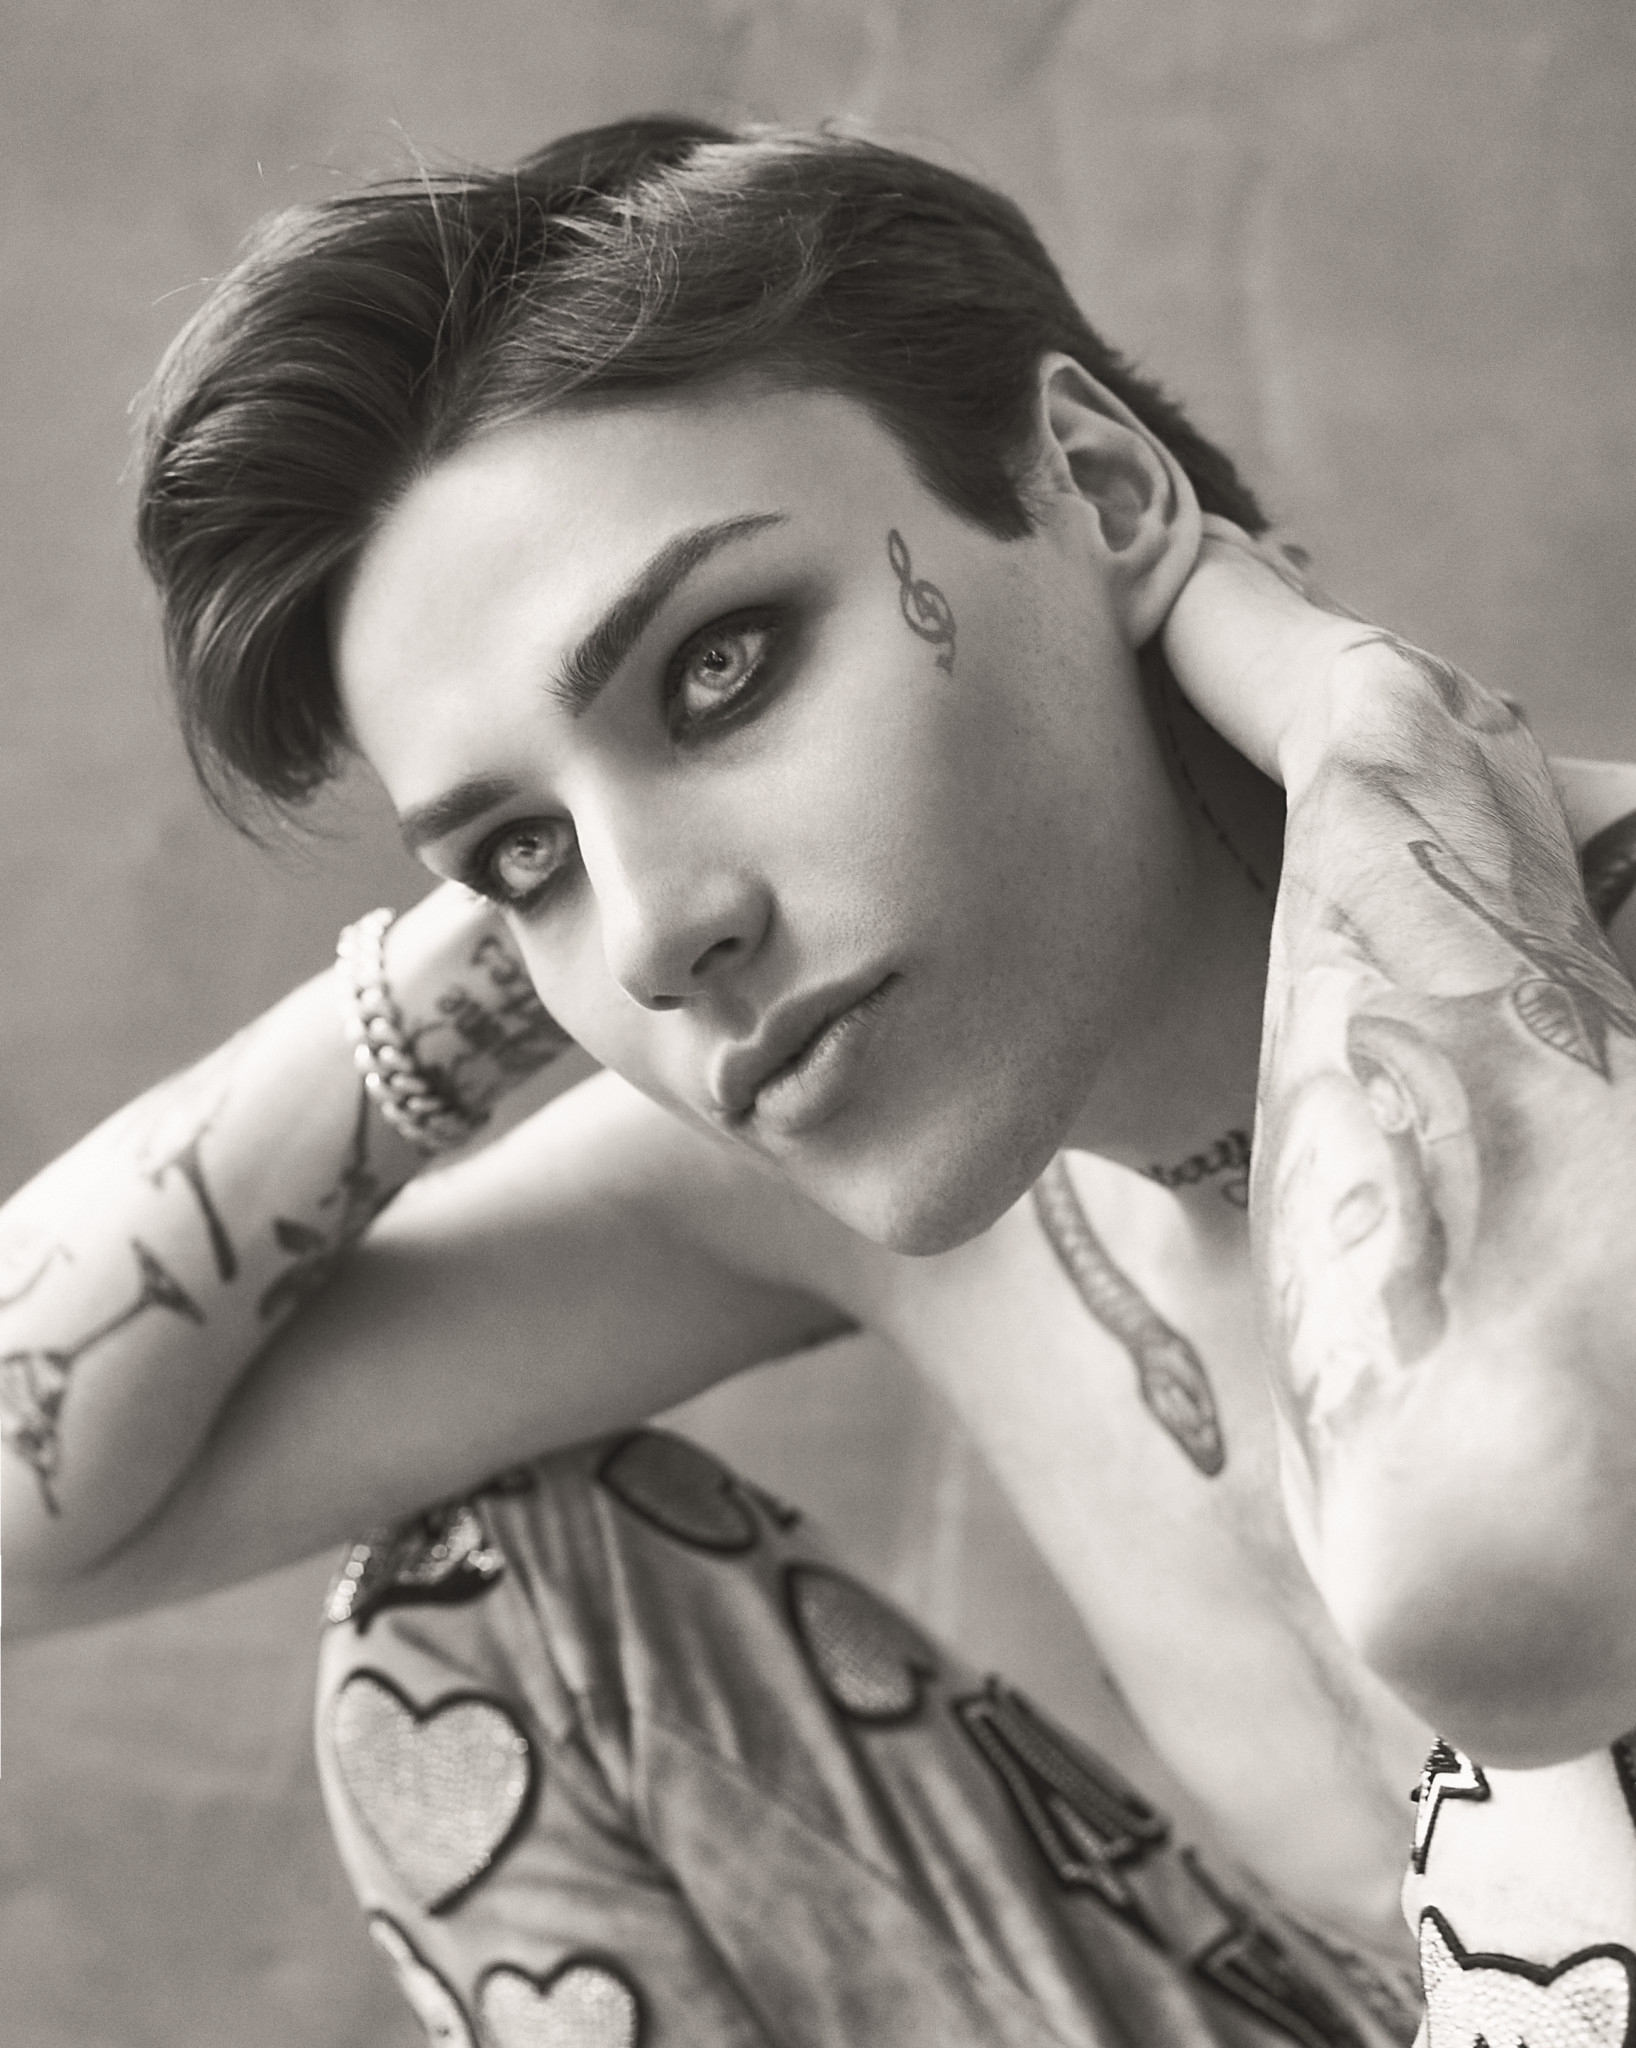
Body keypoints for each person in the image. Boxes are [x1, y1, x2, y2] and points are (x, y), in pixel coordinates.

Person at [6, 113, 1636, 2047]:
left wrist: (1359, 710)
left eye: (721, 669)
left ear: (1103, 493)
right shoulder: (868, 1158)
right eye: (519, 855)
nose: (648, 938)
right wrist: (521, 910)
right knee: (488, 1612)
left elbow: (1504, 1541)